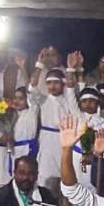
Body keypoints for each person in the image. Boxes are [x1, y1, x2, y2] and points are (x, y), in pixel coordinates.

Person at [30, 49, 80, 194]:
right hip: (47, 142)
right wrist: (39, 65)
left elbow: (71, 88)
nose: (52, 86)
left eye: (56, 83)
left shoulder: (68, 100)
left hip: (64, 141)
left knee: (66, 181)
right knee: (45, 180)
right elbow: (32, 86)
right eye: (49, 83)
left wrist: (70, 69)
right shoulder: (43, 100)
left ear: (62, 84)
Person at [72, 87, 104, 194]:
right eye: (84, 101)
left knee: (91, 186)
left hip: (94, 160)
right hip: (76, 157)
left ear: (97, 103)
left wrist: (95, 155)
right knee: (75, 183)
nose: (88, 104)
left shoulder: (103, 123)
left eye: (91, 101)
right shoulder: (77, 118)